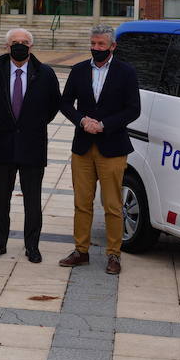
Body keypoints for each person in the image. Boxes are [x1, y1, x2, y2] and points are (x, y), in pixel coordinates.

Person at [58, 24, 141, 275]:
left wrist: (104, 125)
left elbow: (133, 109)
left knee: (113, 205)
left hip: (113, 147)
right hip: (82, 147)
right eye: (93, 44)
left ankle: (114, 255)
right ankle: (80, 251)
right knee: (82, 203)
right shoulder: (79, 70)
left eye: (101, 45)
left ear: (112, 46)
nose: (96, 48)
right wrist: (82, 121)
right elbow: (65, 103)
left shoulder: (126, 72)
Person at [0, 28, 60, 263]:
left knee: (33, 199)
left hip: (32, 143)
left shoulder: (45, 73)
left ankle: (32, 246)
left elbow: (53, 105)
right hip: (4, 143)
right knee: (1, 198)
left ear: (31, 46)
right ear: (7, 47)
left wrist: (32, 124)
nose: (20, 45)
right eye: (15, 42)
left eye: (24, 42)